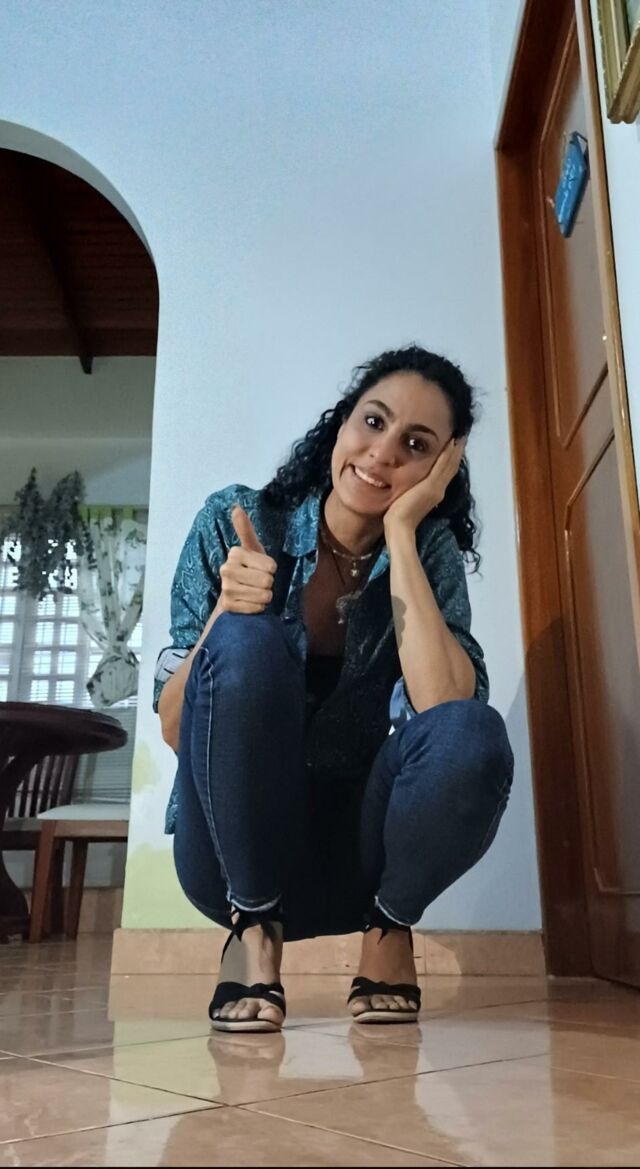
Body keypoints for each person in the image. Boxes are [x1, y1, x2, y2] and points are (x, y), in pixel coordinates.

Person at [154, 344, 515, 1034]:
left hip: (360, 861)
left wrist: (402, 535)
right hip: (230, 859)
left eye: (416, 444)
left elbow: (448, 717)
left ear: (441, 469)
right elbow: (176, 728)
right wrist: (225, 615)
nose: (382, 453)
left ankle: (389, 927)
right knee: (246, 639)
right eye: (373, 422)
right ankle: (254, 928)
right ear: (341, 422)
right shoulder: (235, 518)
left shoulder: (428, 550)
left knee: (476, 729)